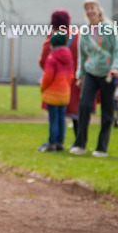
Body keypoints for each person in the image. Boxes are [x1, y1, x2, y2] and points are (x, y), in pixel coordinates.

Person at [70, 0, 118, 156]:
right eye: (87, 8)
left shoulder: (109, 28)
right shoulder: (84, 31)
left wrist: (116, 67)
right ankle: (80, 143)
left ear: (99, 10)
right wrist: (79, 75)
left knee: (107, 110)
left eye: (92, 7)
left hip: (108, 73)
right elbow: (82, 55)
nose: (90, 11)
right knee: (84, 105)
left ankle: (102, 147)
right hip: (91, 72)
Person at [39, 9, 81, 141]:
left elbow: (43, 62)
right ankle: (78, 141)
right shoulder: (77, 36)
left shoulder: (53, 37)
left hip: (54, 85)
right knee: (75, 113)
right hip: (73, 82)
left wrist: (43, 85)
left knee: (55, 117)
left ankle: (54, 142)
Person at [38, 33, 75, 152]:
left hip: (53, 93)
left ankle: (52, 142)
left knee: (53, 119)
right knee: (61, 119)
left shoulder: (52, 57)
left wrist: (42, 87)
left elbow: (48, 77)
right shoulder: (69, 57)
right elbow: (71, 75)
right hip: (65, 93)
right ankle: (60, 142)